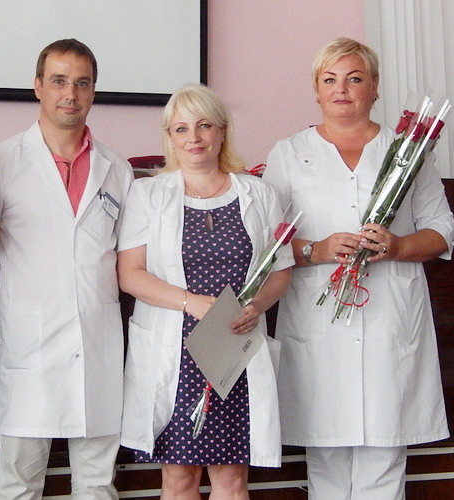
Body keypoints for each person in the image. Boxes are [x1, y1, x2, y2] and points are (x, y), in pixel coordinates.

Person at [261, 37, 454, 500]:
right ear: (316, 89)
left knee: (385, 457)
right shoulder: (289, 152)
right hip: (319, 321)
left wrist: (398, 245)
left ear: (374, 87)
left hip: (389, 316)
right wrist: (317, 250)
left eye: (354, 78)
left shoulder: (408, 150)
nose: (342, 89)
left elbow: (443, 231)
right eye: (330, 79)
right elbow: (267, 243)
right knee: (326, 458)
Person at [0, 39, 133, 499]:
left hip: (97, 343)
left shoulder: (117, 169)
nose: (70, 93)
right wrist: (11, 319)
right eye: (58, 81)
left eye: (82, 83)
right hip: (28, 346)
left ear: (94, 91)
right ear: (38, 86)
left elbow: (125, 257)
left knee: (97, 482)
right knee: (19, 482)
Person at [117, 84, 294, 499]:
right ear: (169, 137)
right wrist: (191, 303)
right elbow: (130, 275)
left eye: (204, 126)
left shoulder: (258, 193)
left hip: (234, 349)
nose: (193, 138)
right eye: (181, 129)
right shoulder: (148, 195)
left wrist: (256, 306)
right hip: (176, 352)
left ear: (222, 131)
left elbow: (281, 269)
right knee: (179, 478)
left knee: (231, 478)